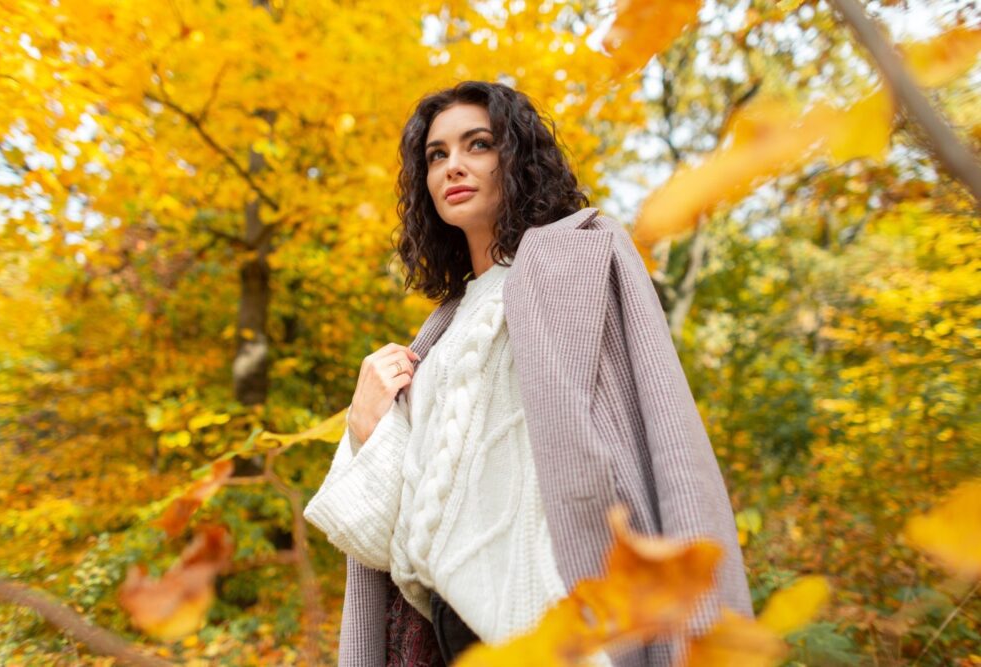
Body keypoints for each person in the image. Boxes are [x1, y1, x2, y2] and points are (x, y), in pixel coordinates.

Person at [304, 80, 752, 667]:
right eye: (436, 155)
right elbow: (395, 528)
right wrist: (367, 431)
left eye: (478, 144)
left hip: (555, 616)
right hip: (442, 630)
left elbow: (662, 428)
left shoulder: (582, 256)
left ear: (514, 157)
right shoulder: (442, 331)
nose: (452, 166)